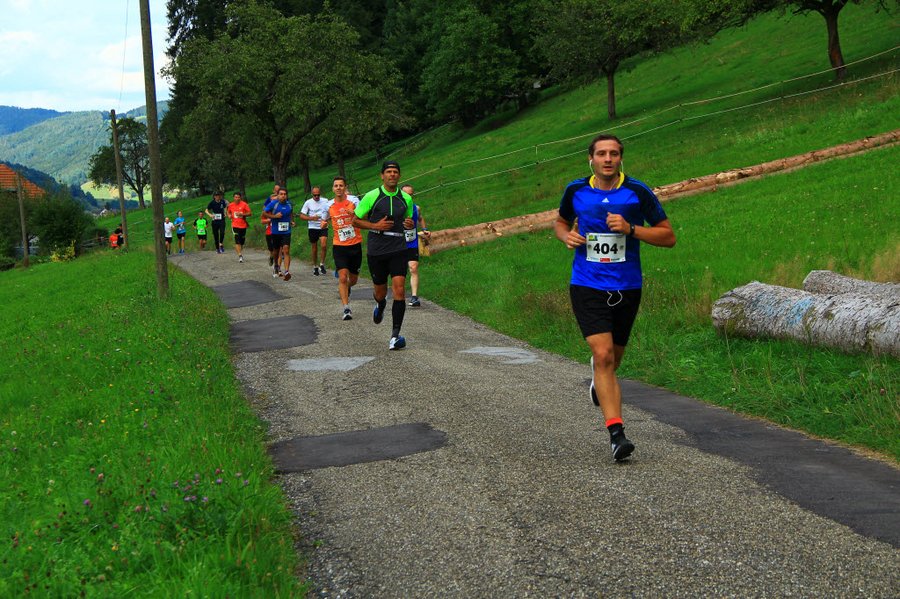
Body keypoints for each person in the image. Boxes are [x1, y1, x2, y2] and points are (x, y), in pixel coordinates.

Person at [555, 134, 675, 462]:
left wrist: (631, 229)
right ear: (591, 159)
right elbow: (561, 222)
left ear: (621, 159)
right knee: (604, 355)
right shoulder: (576, 190)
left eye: (614, 154)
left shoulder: (636, 191)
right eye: (601, 154)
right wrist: (567, 237)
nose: (607, 159)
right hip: (587, 283)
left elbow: (668, 236)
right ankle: (616, 434)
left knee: (613, 360)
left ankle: (599, 378)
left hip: (627, 286)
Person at [352, 161, 415, 350]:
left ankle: (395, 336)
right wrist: (375, 225)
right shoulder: (372, 196)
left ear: (399, 175)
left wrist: (410, 224)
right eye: (389, 171)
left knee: (399, 290)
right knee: (380, 292)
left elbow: (408, 221)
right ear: (382, 175)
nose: (392, 174)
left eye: (395, 171)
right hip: (377, 249)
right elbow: (355, 220)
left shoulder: (406, 198)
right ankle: (380, 304)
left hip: (398, 248)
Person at [326, 176, 363, 320]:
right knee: (342, 277)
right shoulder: (328, 205)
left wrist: (354, 214)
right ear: (333, 188)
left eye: (341, 185)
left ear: (345, 187)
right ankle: (346, 308)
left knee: (353, 280)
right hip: (339, 246)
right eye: (336, 186)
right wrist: (323, 223)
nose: (338, 188)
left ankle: (347, 288)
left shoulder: (354, 201)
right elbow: (325, 218)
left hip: (355, 245)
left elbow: (363, 216)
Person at [401, 184, 430, 307]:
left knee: (413, 268)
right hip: (398, 244)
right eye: (405, 194)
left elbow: (420, 218)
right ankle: (399, 295)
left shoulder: (416, 208)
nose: (408, 197)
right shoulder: (396, 209)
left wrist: (425, 229)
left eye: (410, 194)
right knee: (400, 272)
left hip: (412, 242)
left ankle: (414, 297)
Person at [262, 187, 295, 281]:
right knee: (276, 251)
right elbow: (264, 213)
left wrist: (292, 221)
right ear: (278, 195)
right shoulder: (274, 203)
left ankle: (287, 271)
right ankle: (276, 265)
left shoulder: (289, 204)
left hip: (286, 231)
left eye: (285, 194)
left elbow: (290, 213)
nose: (283, 196)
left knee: (286, 250)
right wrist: (274, 216)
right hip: (276, 231)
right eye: (281, 194)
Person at [299, 186, 331, 275]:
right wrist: (311, 218)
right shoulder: (308, 202)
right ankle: (315, 266)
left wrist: (328, 219)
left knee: (324, 245)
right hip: (312, 227)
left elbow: (330, 211)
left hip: (323, 226)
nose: (316, 197)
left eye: (318, 195)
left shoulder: (325, 201)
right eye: (315, 195)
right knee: (314, 248)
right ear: (312, 194)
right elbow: (301, 215)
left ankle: (322, 264)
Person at [227, 192, 252, 263]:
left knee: (242, 241)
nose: (237, 198)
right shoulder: (231, 205)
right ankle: (240, 255)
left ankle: (240, 251)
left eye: (238, 197)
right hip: (235, 225)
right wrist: (229, 215)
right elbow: (228, 212)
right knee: (237, 240)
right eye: (236, 197)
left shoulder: (244, 204)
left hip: (243, 225)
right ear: (233, 198)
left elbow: (250, 213)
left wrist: (242, 214)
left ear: (240, 198)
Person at [262, 184, 281, 269]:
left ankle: (277, 267)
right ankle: (271, 256)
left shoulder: (281, 207)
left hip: (279, 231)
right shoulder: (267, 210)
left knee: (279, 249)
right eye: (272, 201)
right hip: (269, 231)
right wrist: (269, 219)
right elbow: (262, 220)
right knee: (272, 250)